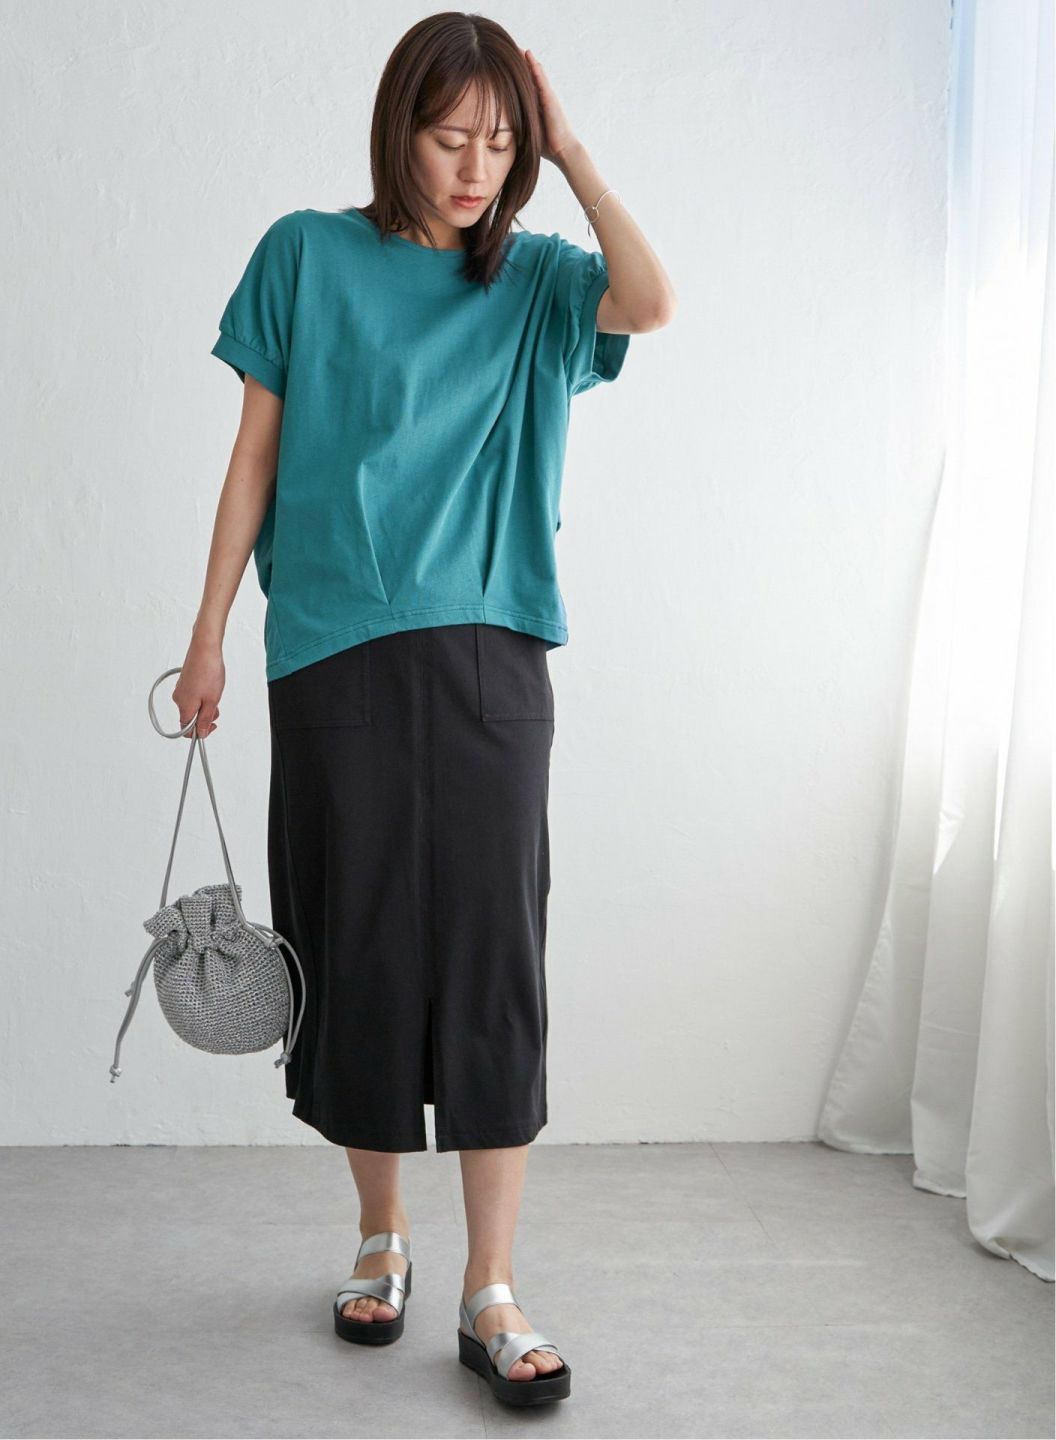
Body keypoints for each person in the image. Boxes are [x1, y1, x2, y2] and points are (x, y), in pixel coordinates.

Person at [173, 11, 675, 1408]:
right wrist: (207, 634)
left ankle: (491, 1286)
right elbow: (255, 455)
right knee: (359, 948)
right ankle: (381, 1237)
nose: (474, 168)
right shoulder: (304, 253)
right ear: (399, 128)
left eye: (501, 144)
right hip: (329, 650)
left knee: (495, 958)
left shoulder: (538, 281)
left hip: (491, 655)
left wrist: (572, 152)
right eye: (453, 136)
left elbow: (652, 303)